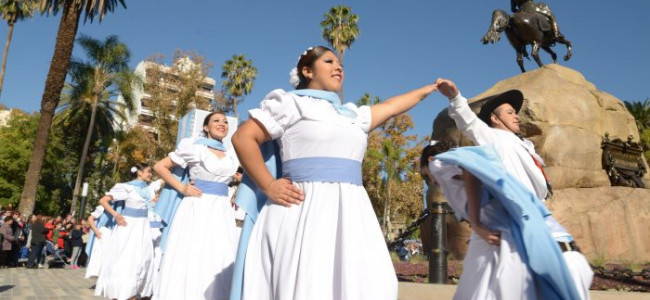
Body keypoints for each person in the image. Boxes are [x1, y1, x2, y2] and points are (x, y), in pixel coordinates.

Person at [230, 45, 437, 299]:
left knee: (369, 283)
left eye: (340, 63)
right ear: (307, 71)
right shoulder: (291, 103)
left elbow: (392, 106)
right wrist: (269, 185)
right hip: (304, 210)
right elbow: (243, 137)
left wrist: (429, 89)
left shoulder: (352, 115)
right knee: (309, 284)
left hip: (352, 212)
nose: (338, 67)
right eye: (329, 61)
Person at [435, 78, 593, 299]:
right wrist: (455, 96)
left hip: (534, 222)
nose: (516, 115)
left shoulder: (525, 146)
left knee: (571, 271)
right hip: (510, 226)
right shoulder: (495, 138)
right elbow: (469, 122)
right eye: (509, 112)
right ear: (494, 119)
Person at [153, 111, 239, 300]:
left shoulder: (231, 154)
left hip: (222, 210)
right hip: (197, 206)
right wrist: (182, 188)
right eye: (216, 120)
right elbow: (159, 166)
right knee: (193, 253)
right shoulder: (194, 147)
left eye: (225, 121)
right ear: (206, 127)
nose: (222, 124)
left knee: (219, 255)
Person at [94, 163, 155, 300]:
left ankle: (135, 291)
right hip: (129, 226)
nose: (150, 174)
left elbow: (163, 178)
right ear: (139, 172)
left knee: (142, 258)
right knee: (126, 259)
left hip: (143, 226)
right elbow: (103, 201)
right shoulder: (127, 187)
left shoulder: (148, 188)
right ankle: (122, 292)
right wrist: (116, 215)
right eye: (149, 171)